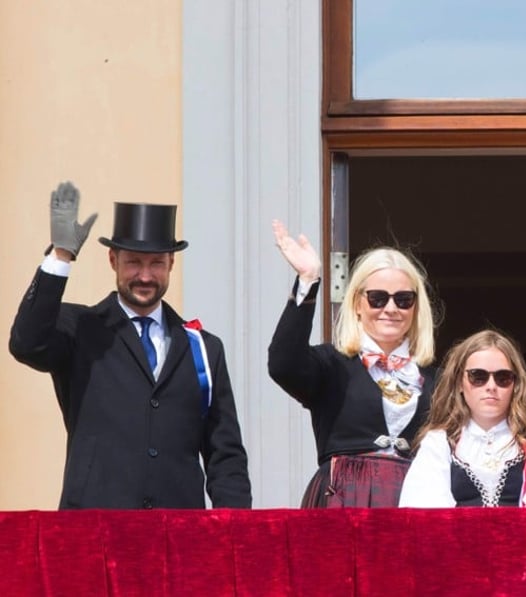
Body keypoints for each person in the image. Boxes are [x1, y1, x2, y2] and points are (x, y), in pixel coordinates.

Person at [8, 182, 252, 509]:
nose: (145, 276)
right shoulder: (79, 328)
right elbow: (27, 343)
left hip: (178, 539)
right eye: (134, 262)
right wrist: (61, 257)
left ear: (171, 264)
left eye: (156, 264)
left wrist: (234, 535)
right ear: (113, 260)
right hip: (95, 536)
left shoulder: (204, 348)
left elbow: (226, 456)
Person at [268, 220, 438, 507]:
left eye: (404, 299)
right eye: (377, 298)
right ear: (358, 304)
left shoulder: (437, 379)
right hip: (344, 497)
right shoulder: (331, 365)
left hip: (415, 499)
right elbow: (283, 365)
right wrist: (308, 280)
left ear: (416, 307)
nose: (390, 309)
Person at [399, 330, 526, 507]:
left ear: (516, 385)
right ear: (460, 382)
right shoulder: (438, 441)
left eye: (503, 377)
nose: (491, 386)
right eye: (478, 376)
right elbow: (424, 513)